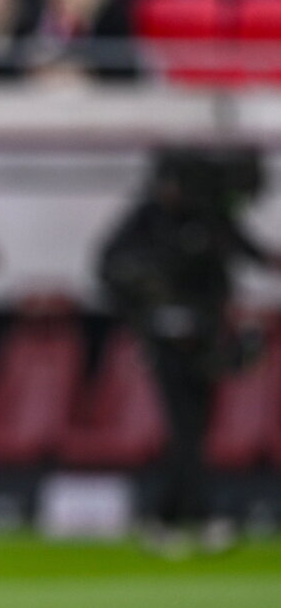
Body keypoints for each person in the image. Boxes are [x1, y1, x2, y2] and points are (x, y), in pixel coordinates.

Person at [98, 146, 276, 552]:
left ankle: (171, 517)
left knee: (194, 431)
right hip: (167, 342)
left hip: (206, 337)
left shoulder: (207, 217)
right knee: (185, 430)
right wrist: (154, 310)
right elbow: (112, 269)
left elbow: (243, 249)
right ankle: (193, 515)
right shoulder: (148, 219)